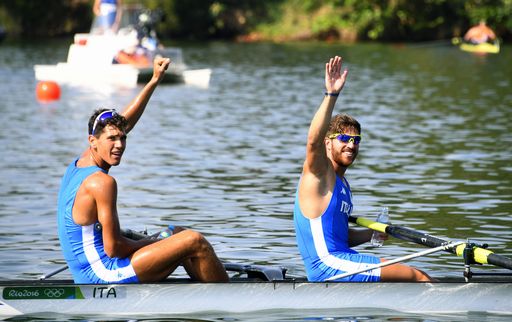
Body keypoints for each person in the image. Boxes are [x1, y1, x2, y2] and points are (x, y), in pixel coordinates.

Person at [57, 57, 229, 284]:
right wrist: (153, 244)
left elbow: (124, 122)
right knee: (192, 240)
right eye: (112, 139)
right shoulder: (102, 182)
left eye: (123, 138)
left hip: (92, 269)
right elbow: (114, 248)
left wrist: (154, 80)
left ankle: (205, 287)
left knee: (176, 232)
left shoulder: (79, 164)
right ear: (93, 141)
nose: (119, 145)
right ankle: (229, 300)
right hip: (102, 275)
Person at [293, 56, 433, 282]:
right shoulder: (319, 173)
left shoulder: (343, 184)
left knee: (402, 283)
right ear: (328, 142)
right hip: (327, 265)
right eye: (344, 138)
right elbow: (312, 141)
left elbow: (337, 236)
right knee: (417, 276)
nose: (351, 144)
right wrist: (331, 95)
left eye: (356, 140)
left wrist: (371, 234)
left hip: (342, 258)